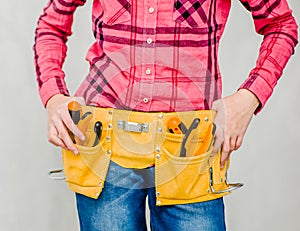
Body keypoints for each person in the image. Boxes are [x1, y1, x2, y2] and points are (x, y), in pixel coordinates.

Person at [34, 0, 298, 230]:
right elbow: (51, 25)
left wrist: (249, 97)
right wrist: (54, 95)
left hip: (190, 148)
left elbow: (281, 24)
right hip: (104, 147)